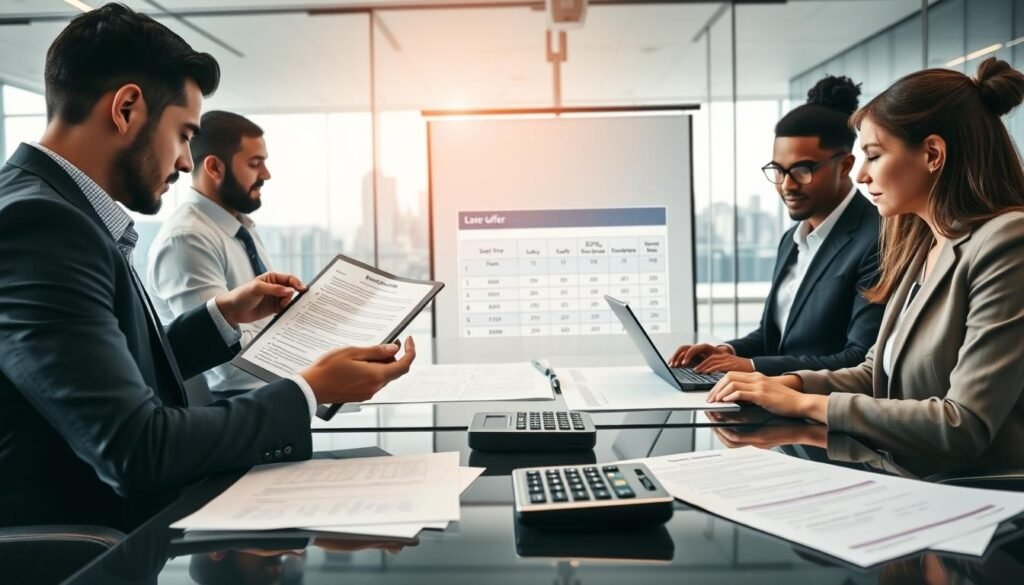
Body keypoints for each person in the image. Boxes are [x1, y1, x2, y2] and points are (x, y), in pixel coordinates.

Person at [0, 4, 414, 531]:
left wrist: (220, 315)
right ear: (126, 109)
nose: (185, 162)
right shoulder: (39, 225)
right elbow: (136, 450)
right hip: (90, 553)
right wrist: (309, 389)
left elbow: (105, 370)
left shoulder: (53, 210)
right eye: (182, 135)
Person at [708, 58, 1024, 469]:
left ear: (932, 154)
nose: (859, 175)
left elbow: (963, 424)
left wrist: (804, 403)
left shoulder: (1006, 242)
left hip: (971, 493)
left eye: (873, 155)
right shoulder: (923, 242)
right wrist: (784, 382)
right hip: (903, 473)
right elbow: (876, 371)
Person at [669, 75, 884, 377]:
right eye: (778, 170)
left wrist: (753, 366)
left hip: (825, 415)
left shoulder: (876, 240)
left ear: (846, 165)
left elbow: (860, 359)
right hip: (775, 404)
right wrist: (727, 352)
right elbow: (773, 339)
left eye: (802, 169)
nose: (786, 185)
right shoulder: (791, 240)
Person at [148, 110, 274, 394]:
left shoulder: (242, 228)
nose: (266, 174)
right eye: (255, 164)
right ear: (215, 168)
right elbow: (229, 369)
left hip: (265, 399)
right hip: (229, 415)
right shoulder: (187, 238)